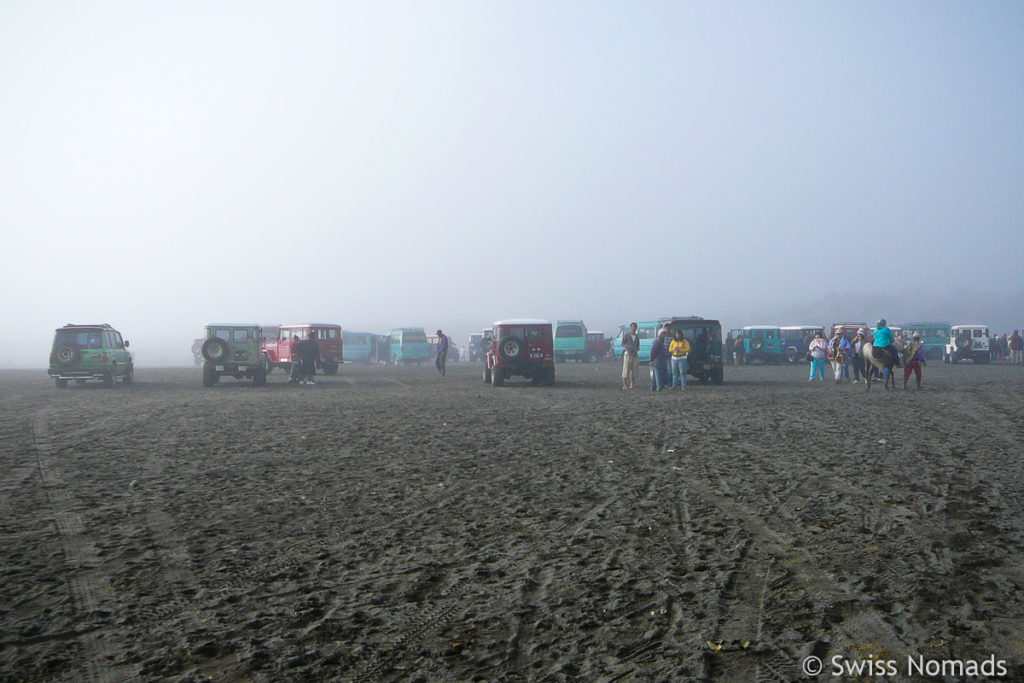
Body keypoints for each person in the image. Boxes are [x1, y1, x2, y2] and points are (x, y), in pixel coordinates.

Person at [649, 327, 670, 391]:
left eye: (665, 334)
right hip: (658, 360)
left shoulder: (660, 341)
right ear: (660, 334)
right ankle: (659, 388)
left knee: (655, 375)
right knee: (659, 375)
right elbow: (653, 351)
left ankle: (653, 387)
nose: (664, 335)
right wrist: (651, 359)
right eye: (663, 334)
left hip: (660, 360)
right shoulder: (657, 341)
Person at [621, 322, 640, 390]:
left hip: (634, 354)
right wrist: (628, 347)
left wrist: (637, 349)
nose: (633, 328)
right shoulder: (627, 335)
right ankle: (625, 385)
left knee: (634, 370)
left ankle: (632, 384)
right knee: (626, 369)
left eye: (635, 327)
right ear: (630, 327)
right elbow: (622, 343)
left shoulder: (637, 336)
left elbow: (638, 345)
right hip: (628, 353)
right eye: (632, 326)